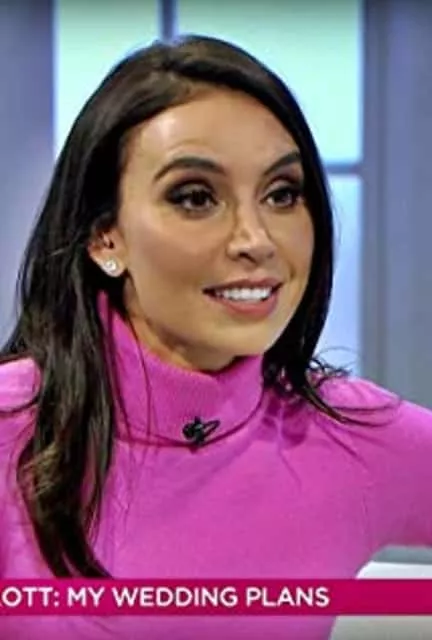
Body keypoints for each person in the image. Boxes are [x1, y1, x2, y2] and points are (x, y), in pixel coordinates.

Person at [0, 34, 431, 640]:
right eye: (196, 197)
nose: (256, 239)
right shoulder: (11, 428)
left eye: (282, 194)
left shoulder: (352, 437)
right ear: (104, 237)